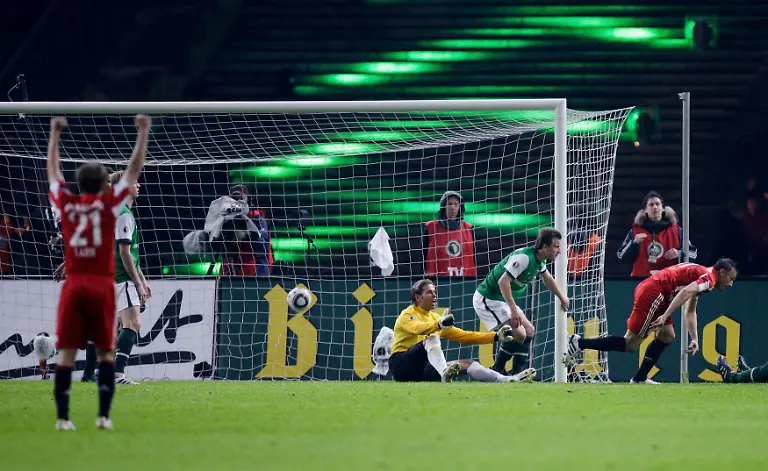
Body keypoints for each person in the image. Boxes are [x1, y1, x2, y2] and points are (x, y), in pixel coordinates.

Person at [47, 114, 149, 431]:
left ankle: (63, 419)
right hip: (103, 285)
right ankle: (103, 416)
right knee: (107, 352)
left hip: (74, 285)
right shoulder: (111, 208)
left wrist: (55, 134)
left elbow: (53, 173)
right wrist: (143, 131)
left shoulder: (67, 204)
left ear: (79, 184)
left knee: (66, 354)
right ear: (107, 184)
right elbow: (132, 170)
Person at [566, 258, 738, 384]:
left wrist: (694, 338)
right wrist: (664, 316)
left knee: (667, 336)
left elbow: (690, 310)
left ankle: (640, 377)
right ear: (722, 272)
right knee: (630, 344)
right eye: (731, 279)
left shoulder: (704, 274)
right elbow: (685, 292)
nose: (731, 284)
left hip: (660, 295)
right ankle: (579, 343)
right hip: (655, 293)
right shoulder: (709, 279)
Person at [390, 279, 536, 383]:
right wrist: (439, 325)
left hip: (423, 370)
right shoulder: (407, 314)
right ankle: (444, 373)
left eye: (435, 292)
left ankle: (508, 379)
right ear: (417, 297)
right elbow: (417, 328)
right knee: (432, 339)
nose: (435, 296)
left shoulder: (435, 318)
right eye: (430, 292)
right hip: (402, 366)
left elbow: (464, 336)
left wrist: (496, 337)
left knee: (468, 363)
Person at [473, 228, 569, 375]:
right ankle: (497, 369)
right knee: (520, 334)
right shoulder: (524, 258)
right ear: (545, 247)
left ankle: (518, 374)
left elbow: (548, 279)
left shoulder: (540, 260)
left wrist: (562, 297)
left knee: (529, 331)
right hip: (488, 298)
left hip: (502, 301)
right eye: (556, 246)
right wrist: (512, 309)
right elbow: (503, 281)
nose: (559, 251)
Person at [617, 191, 697, 276]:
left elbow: (693, 254)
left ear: (663, 208)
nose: (655, 207)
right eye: (651, 205)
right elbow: (621, 256)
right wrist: (634, 243)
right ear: (645, 210)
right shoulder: (635, 232)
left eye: (657, 204)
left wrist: (679, 253)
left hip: (670, 282)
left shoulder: (677, 231)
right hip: (641, 282)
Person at [219, 184, 272, 277]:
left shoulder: (256, 218)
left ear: (249, 200)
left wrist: (247, 235)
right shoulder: (226, 219)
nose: (237, 201)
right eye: (234, 199)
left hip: (256, 273)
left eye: (240, 197)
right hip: (231, 272)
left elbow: (263, 247)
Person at [423, 191, 476, 277]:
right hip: (436, 281)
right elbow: (423, 255)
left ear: (460, 207)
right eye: (450, 204)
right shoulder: (430, 228)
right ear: (444, 206)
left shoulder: (469, 229)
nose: (453, 207)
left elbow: (473, 259)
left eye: (456, 204)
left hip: (465, 282)